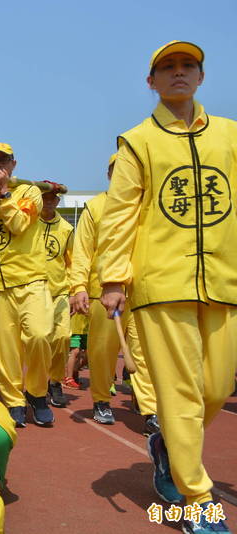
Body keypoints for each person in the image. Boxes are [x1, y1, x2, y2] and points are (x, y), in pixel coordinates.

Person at [98, 41, 235, 534]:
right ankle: (198, 499)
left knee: (216, 388)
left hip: (223, 281)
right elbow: (119, 216)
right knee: (179, 394)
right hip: (161, 283)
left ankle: (165, 445)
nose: (179, 73)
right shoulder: (137, 141)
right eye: (167, 67)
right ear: (151, 82)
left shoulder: (230, 136)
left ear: (201, 76)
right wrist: (113, 277)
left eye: (187, 65)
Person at [69, 154, 158, 432]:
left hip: (142, 293)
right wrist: (79, 287)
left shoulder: (147, 206)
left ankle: (150, 409)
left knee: (144, 354)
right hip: (104, 293)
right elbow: (82, 250)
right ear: (109, 175)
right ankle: (101, 400)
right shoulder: (95, 207)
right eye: (117, 171)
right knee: (102, 352)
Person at [0, 142, 54, 428]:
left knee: (40, 336)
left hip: (30, 279)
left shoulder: (29, 192)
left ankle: (38, 393)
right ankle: (14, 400)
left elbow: (18, 224)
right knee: (4, 349)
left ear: (13, 164)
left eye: (3, 161)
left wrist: (4, 193)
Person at [38, 188, 74, 408]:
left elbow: (72, 262)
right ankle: (36, 384)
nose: (49, 201)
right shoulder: (30, 223)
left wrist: (72, 290)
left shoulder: (67, 229)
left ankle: (55, 381)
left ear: (58, 200)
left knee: (62, 338)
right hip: (34, 291)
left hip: (59, 291)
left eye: (53, 197)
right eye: (45, 197)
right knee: (37, 341)